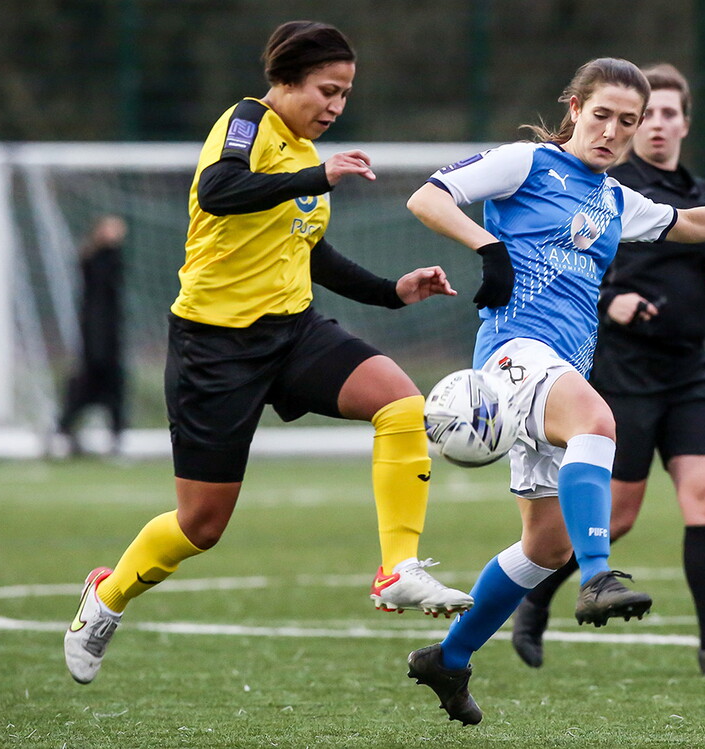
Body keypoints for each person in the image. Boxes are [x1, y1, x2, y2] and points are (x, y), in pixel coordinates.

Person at [404, 56, 705, 724]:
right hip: (514, 357)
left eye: (628, 121)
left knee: (542, 545)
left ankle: (451, 657)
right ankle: (598, 578)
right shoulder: (527, 162)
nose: (613, 130)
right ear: (574, 107)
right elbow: (428, 197)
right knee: (598, 422)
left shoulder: (616, 199)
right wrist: (487, 249)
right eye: (603, 114)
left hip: (562, 371)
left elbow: (690, 223)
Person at [63, 20, 473, 686]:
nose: (336, 107)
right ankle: (105, 597)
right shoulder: (248, 123)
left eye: (345, 95)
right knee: (200, 525)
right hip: (214, 346)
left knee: (400, 402)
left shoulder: (305, 155)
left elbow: (310, 250)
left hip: (293, 332)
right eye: (327, 90)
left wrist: (394, 291)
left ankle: (397, 569)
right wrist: (317, 174)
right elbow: (219, 192)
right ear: (286, 81)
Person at [510, 63, 705, 677]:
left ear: (685, 121)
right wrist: (613, 303)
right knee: (619, 515)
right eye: (644, 115)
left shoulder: (699, 192)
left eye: (667, 113)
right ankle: (538, 597)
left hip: (691, 372)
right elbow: (565, 267)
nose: (655, 124)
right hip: (624, 373)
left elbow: (697, 253)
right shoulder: (606, 183)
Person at [54, 214, 128, 456]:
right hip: (96, 343)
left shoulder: (114, 259)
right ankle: (62, 433)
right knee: (83, 390)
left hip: (110, 341)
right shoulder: (94, 260)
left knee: (115, 392)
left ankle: (116, 440)